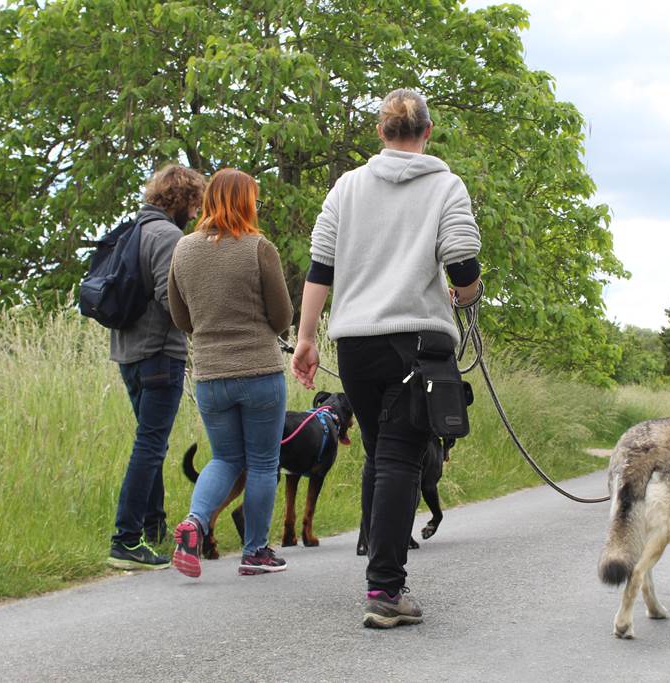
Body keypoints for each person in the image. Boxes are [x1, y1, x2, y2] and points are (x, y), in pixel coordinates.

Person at [291, 88, 482, 628]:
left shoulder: (347, 187)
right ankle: (386, 590)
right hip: (416, 343)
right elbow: (463, 264)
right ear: (427, 131)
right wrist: (464, 298)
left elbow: (320, 267)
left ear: (381, 133)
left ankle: (382, 577)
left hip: (354, 344)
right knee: (400, 458)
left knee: (381, 455)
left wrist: (307, 338)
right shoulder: (446, 185)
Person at [167, 168, 294, 578]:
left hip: (210, 374)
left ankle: (194, 524)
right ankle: (255, 551)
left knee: (224, 458)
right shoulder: (258, 248)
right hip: (259, 371)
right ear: (245, 202)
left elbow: (179, 316)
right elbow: (282, 317)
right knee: (261, 463)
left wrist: (209, 331)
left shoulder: (183, 250)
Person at [107, 164, 206, 570]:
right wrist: (200, 325)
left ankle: (153, 528)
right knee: (149, 447)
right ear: (181, 200)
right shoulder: (168, 236)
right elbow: (171, 299)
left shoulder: (133, 230)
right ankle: (126, 540)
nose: (197, 213)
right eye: (195, 204)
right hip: (159, 354)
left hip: (128, 352)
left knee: (148, 443)